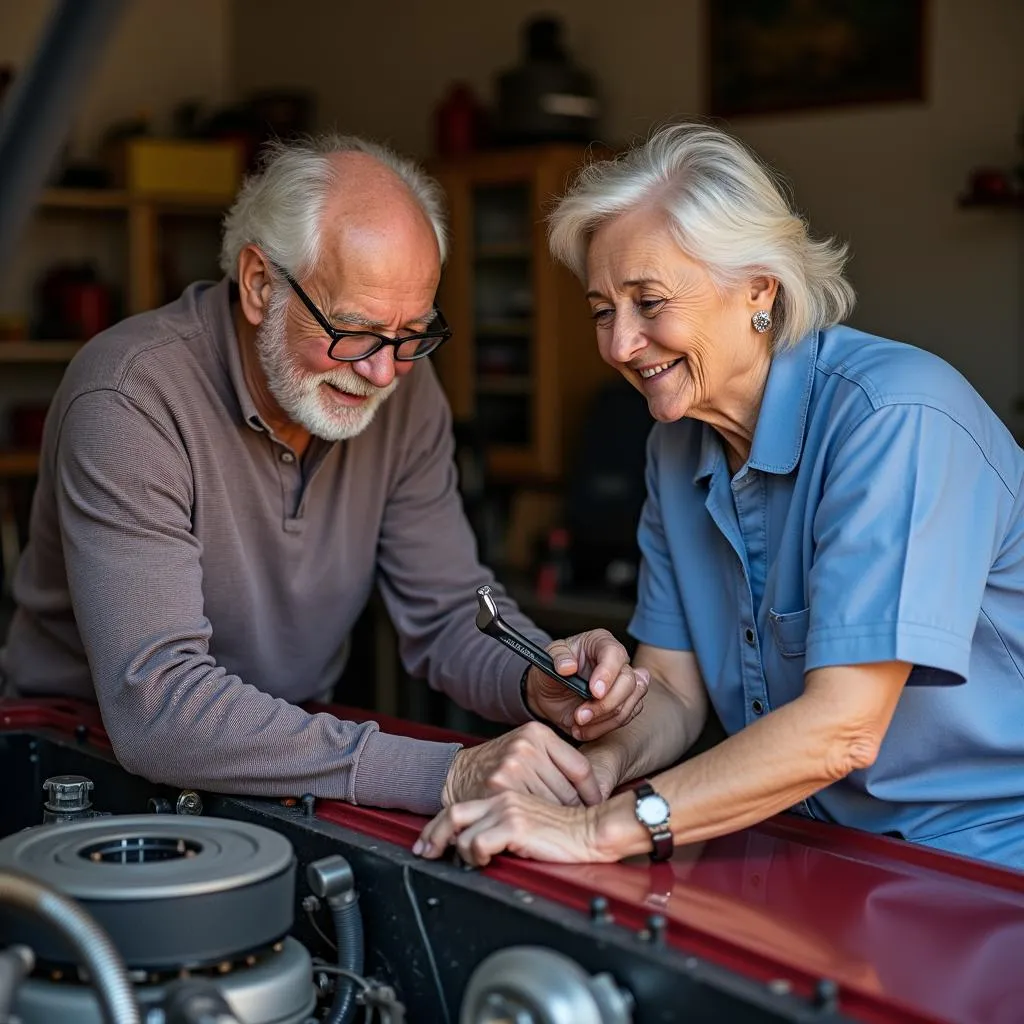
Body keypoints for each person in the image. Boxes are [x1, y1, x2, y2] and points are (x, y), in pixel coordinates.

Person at [415, 122, 1024, 870]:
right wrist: (592, 776)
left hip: (982, 862)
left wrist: (594, 830)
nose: (617, 346)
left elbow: (842, 729)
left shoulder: (895, 419)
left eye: (649, 301)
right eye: (604, 310)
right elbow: (671, 688)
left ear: (758, 290)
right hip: (808, 846)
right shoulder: (675, 446)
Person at [0, 134, 648, 815]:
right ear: (258, 284)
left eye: (412, 334)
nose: (382, 372)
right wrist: (445, 773)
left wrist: (537, 674)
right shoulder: (130, 397)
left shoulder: (405, 387)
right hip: (77, 772)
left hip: (287, 763)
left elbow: (448, 611)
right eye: (355, 329)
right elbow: (159, 707)